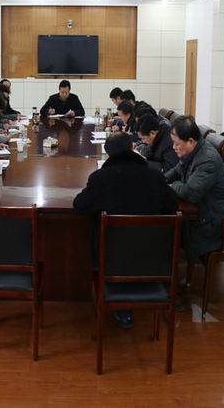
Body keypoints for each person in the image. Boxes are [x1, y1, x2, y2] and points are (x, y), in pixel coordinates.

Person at [73, 133, 178, 328]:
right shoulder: (155, 177)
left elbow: (79, 206)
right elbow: (172, 205)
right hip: (153, 259)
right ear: (132, 149)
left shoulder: (100, 178)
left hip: (110, 260)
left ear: (109, 154)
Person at [165, 115, 224, 260]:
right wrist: (162, 179)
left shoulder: (207, 160)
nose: (173, 147)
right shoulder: (194, 150)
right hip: (200, 213)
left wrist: (172, 185)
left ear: (190, 141)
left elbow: (190, 193)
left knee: (164, 230)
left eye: (177, 144)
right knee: (163, 227)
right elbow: (177, 170)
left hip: (213, 224)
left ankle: (167, 270)